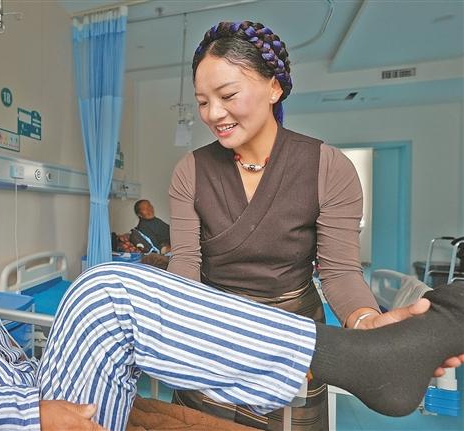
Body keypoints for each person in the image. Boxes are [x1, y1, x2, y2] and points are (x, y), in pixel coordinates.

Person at [0, 240, 464, 431]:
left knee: (113, 291)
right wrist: (27, 411)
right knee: (106, 289)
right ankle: (367, 360)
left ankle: (365, 356)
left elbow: (22, 361)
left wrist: (45, 387)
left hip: (49, 397)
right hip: (14, 420)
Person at [166, 21, 463, 429]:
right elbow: (185, 261)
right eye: (203, 101)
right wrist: (179, 323)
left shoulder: (328, 167)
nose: (213, 113)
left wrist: (365, 322)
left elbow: (339, 271)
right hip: (217, 330)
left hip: (296, 338)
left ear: (274, 87)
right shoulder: (191, 170)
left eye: (228, 95)